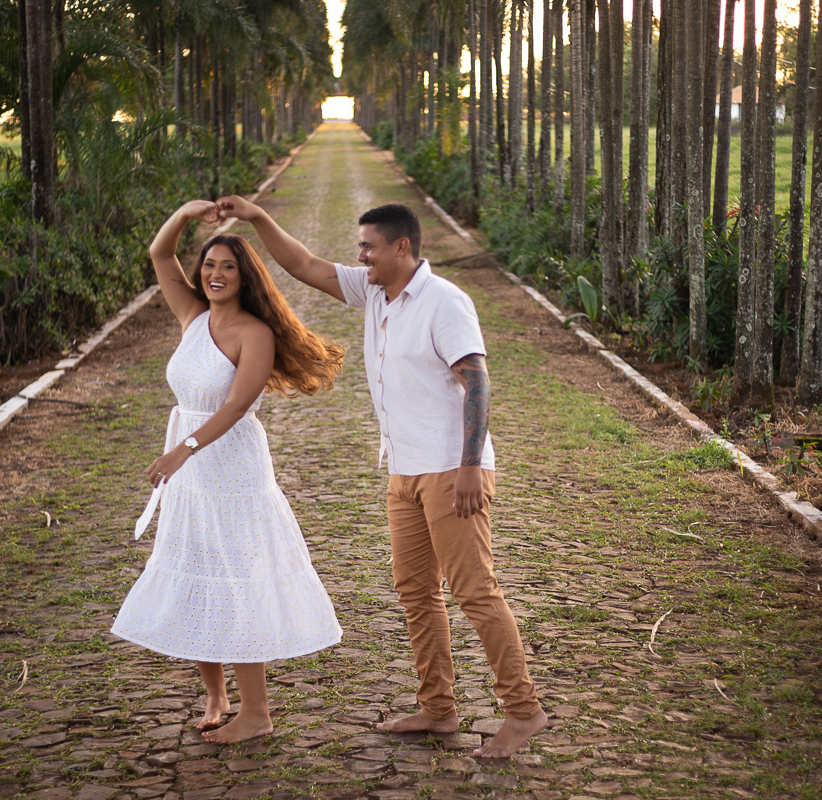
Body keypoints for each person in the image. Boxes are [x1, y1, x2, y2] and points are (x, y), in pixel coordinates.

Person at [215, 197, 547, 758]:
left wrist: (471, 467)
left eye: (368, 245)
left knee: (474, 592)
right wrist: (255, 217)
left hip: (450, 469)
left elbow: (478, 383)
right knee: (417, 593)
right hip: (403, 469)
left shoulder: (445, 302)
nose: (359, 254)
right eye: (359, 245)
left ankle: (523, 710)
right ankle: (438, 709)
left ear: (402, 247)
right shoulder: (374, 290)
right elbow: (303, 265)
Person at [110, 200, 345, 744]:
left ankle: (257, 712)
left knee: (237, 580)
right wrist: (188, 213)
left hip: (231, 466)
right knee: (197, 574)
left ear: (246, 278)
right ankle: (217, 695)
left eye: (228, 267)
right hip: (191, 471)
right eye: (209, 265)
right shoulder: (193, 317)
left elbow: (238, 405)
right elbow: (159, 252)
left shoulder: (253, 332)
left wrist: (183, 449)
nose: (215, 274)